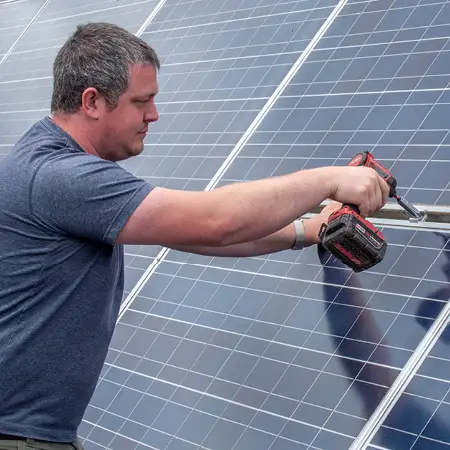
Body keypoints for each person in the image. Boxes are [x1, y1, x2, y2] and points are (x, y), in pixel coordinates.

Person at [0, 22, 389, 450]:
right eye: (141, 101)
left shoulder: (48, 166)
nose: (153, 115)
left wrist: (307, 229)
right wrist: (327, 181)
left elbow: (199, 236)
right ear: (92, 101)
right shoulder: (62, 178)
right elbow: (214, 221)